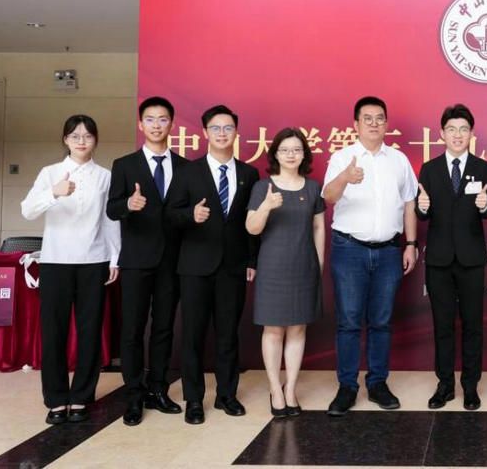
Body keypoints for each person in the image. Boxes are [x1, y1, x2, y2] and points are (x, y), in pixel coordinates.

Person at [322, 96, 419, 416]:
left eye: (380, 118)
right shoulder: (342, 157)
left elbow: (409, 202)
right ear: (356, 124)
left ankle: (377, 383)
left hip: (389, 251)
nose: (374, 123)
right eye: (367, 118)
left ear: (386, 123)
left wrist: (410, 243)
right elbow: (328, 197)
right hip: (349, 249)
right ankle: (347, 386)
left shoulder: (399, 160)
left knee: (381, 321)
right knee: (349, 321)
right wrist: (344, 178)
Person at [21, 115, 120, 425]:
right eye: (75, 135)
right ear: (65, 139)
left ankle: (81, 396)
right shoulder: (50, 173)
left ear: (95, 140)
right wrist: (54, 192)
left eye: (88, 135)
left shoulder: (104, 176)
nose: (81, 141)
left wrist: (114, 258)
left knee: (90, 331)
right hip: (55, 261)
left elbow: (110, 221)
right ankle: (55, 399)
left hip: (93, 260)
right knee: (54, 332)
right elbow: (27, 210)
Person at [165, 104, 259, 425]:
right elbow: (170, 215)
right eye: (216, 128)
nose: (222, 133)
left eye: (228, 128)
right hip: (195, 266)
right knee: (193, 335)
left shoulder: (248, 174)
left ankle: (226, 395)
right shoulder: (187, 172)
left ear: (236, 132)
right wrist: (190, 215)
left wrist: (251, 259)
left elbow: (251, 223)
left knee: (228, 334)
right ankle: (194, 399)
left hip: (233, 266)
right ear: (205, 132)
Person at [107, 97, 187, 426]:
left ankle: (158, 389)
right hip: (137, 259)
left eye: (163, 119)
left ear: (172, 124)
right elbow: (112, 209)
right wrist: (129, 204)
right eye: (150, 119)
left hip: (172, 260)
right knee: (132, 328)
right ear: (141, 125)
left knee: (164, 327)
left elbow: (185, 211)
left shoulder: (185, 166)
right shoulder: (124, 165)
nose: (156, 125)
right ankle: (133, 395)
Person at [416, 104, 487, 411]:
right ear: (442, 134)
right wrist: (422, 207)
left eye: (463, 129)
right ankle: (445, 385)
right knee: (443, 325)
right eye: (452, 129)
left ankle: (470, 386)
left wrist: (484, 203)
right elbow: (422, 214)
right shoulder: (429, 169)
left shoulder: (483, 168)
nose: (458, 135)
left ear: (471, 133)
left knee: (473, 325)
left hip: (471, 259)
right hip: (439, 260)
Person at [246, 128, 326, 418]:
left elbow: (318, 227)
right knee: (273, 329)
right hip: (273, 266)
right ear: (275, 154)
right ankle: (275, 389)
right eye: (285, 150)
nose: (291, 155)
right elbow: (252, 228)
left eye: (297, 149)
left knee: (298, 328)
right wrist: (266, 206)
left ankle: (290, 387)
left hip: (304, 265)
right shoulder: (263, 187)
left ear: (304, 154)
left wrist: (318, 265)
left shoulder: (313, 188)